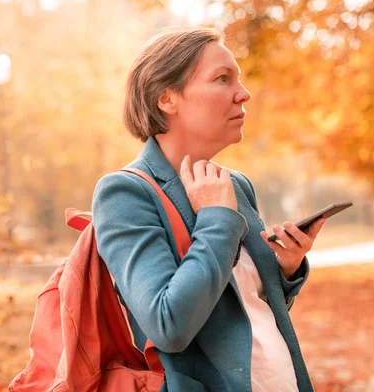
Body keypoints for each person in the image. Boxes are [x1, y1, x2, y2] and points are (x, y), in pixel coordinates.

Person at [91, 28, 326, 391]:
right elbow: (169, 325)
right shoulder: (125, 193)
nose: (243, 93)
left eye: (239, 79)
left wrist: (287, 269)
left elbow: (245, 312)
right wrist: (216, 221)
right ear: (167, 98)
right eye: (222, 79)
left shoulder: (235, 185)